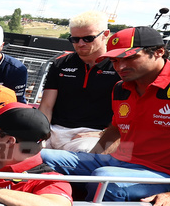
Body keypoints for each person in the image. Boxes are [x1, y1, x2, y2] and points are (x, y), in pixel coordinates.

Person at [38, 27, 170, 206]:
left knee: (105, 178)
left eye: (129, 58)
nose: (120, 66)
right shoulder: (121, 88)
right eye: (114, 60)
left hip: (169, 176)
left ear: (159, 52)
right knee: (34, 155)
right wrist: (87, 161)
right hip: (121, 162)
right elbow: (115, 130)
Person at [38, 11, 120, 152]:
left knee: (82, 152)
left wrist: (103, 133)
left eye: (88, 38)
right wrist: (41, 133)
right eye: (74, 39)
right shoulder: (61, 64)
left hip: (92, 134)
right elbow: (46, 106)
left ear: (105, 34)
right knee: (18, 149)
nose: (80, 44)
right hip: (53, 130)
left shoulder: (119, 67)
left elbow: (128, 112)